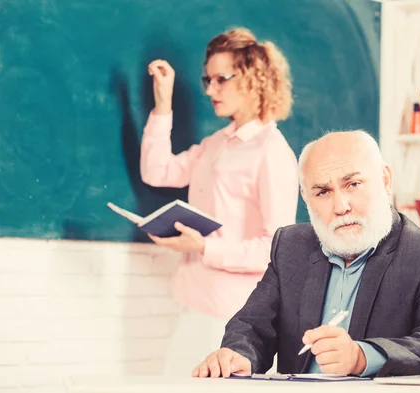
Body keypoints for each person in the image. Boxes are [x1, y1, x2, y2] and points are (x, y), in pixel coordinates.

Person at [192, 130, 420, 378]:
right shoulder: (290, 244)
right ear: (306, 197)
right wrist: (239, 355)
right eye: (323, 192)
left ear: (384, 180)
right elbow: (252, 325)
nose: (340, 206)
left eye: (353, 184)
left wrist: (361, 357)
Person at [139, 28, 299, 375]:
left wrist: (205, 248)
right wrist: (163, 104)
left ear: (254, 78)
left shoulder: (272, 152)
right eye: (207, 79)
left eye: (221, 79)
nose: (211, 90)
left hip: (232, 316)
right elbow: (157, 171)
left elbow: (275, 249)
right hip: (193, 301)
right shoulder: (217, 143)